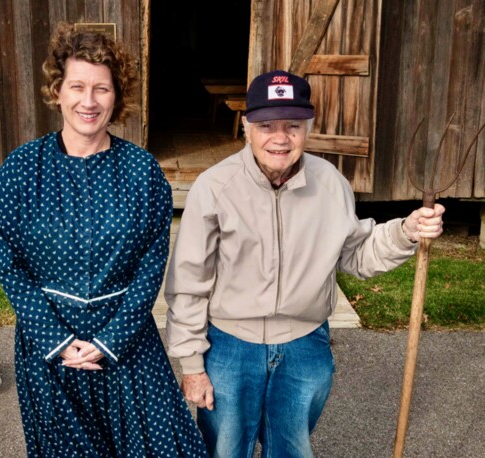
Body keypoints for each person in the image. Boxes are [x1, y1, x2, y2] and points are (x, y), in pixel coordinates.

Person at [164, 69, 445, 457]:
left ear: (308, 128)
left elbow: (356, 255)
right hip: (229, 345)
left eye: (293, 125)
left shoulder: (330, 183)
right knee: (225, 450)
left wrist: (406, 232)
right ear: (247, 127)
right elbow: (188, 282)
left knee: (292, 449)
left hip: (305, 345)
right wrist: (192, 364)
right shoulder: (214, 187)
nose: (280, 138)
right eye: (266, 125)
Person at [0, 22, 208, 457]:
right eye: (77, 86)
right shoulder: (19, 170)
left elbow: (151, 263)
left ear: (117, 96)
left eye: (102, 89)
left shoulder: (143, 172)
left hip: (126, 344)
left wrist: (111, 340)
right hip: (50, 351)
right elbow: (10, 264)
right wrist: (55, 339)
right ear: (57, 90)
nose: (88, 101)